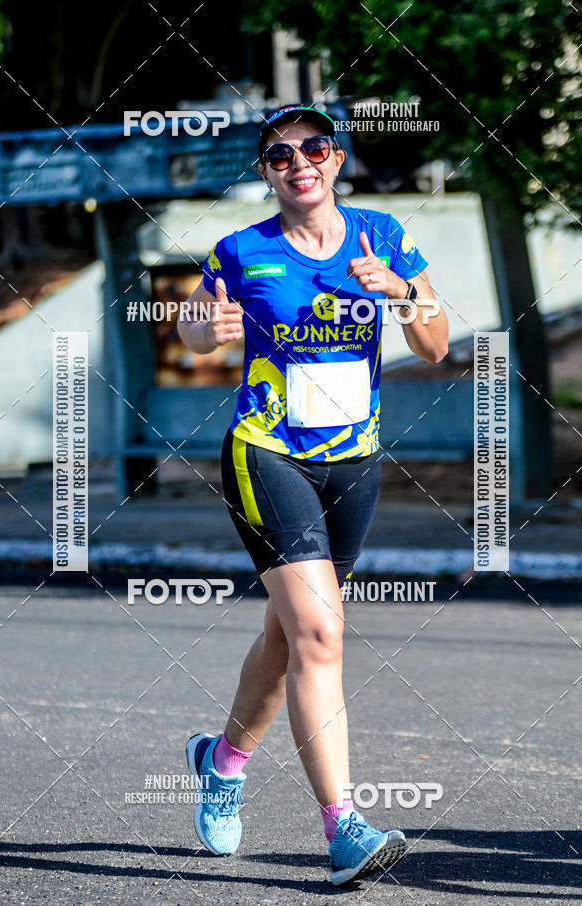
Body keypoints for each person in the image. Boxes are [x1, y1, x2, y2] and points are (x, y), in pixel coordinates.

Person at [178, 104, 448, 886]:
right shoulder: (241, 249)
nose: (299, 162)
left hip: (354, 463)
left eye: (314, 147)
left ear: (336, 159)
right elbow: (197, 328)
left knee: (289, 636)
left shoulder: (383, 236)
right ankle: (345, 830)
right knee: (323, 636)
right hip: (268, 454)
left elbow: (434, 344)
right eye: (278, 154)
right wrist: (209, 327)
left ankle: (222, 762)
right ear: (266, 171)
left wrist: (399, 290)